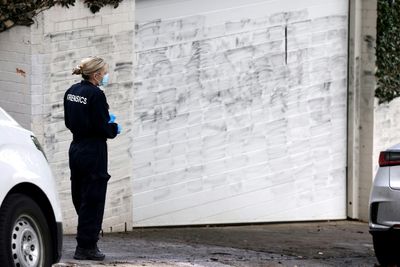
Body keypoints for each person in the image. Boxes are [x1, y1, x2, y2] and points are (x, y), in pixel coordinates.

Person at [63, 57, 121, 261]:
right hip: (93, 150)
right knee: (94, 198)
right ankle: (86, 246)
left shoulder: (72, 91)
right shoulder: (96, 94)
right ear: (96, 74)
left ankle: (86, 240)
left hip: (76, 147)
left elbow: (69, 121)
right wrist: (113, 127)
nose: (105, 76)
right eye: (104, 72)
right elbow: (103, 127)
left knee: (80, 194)